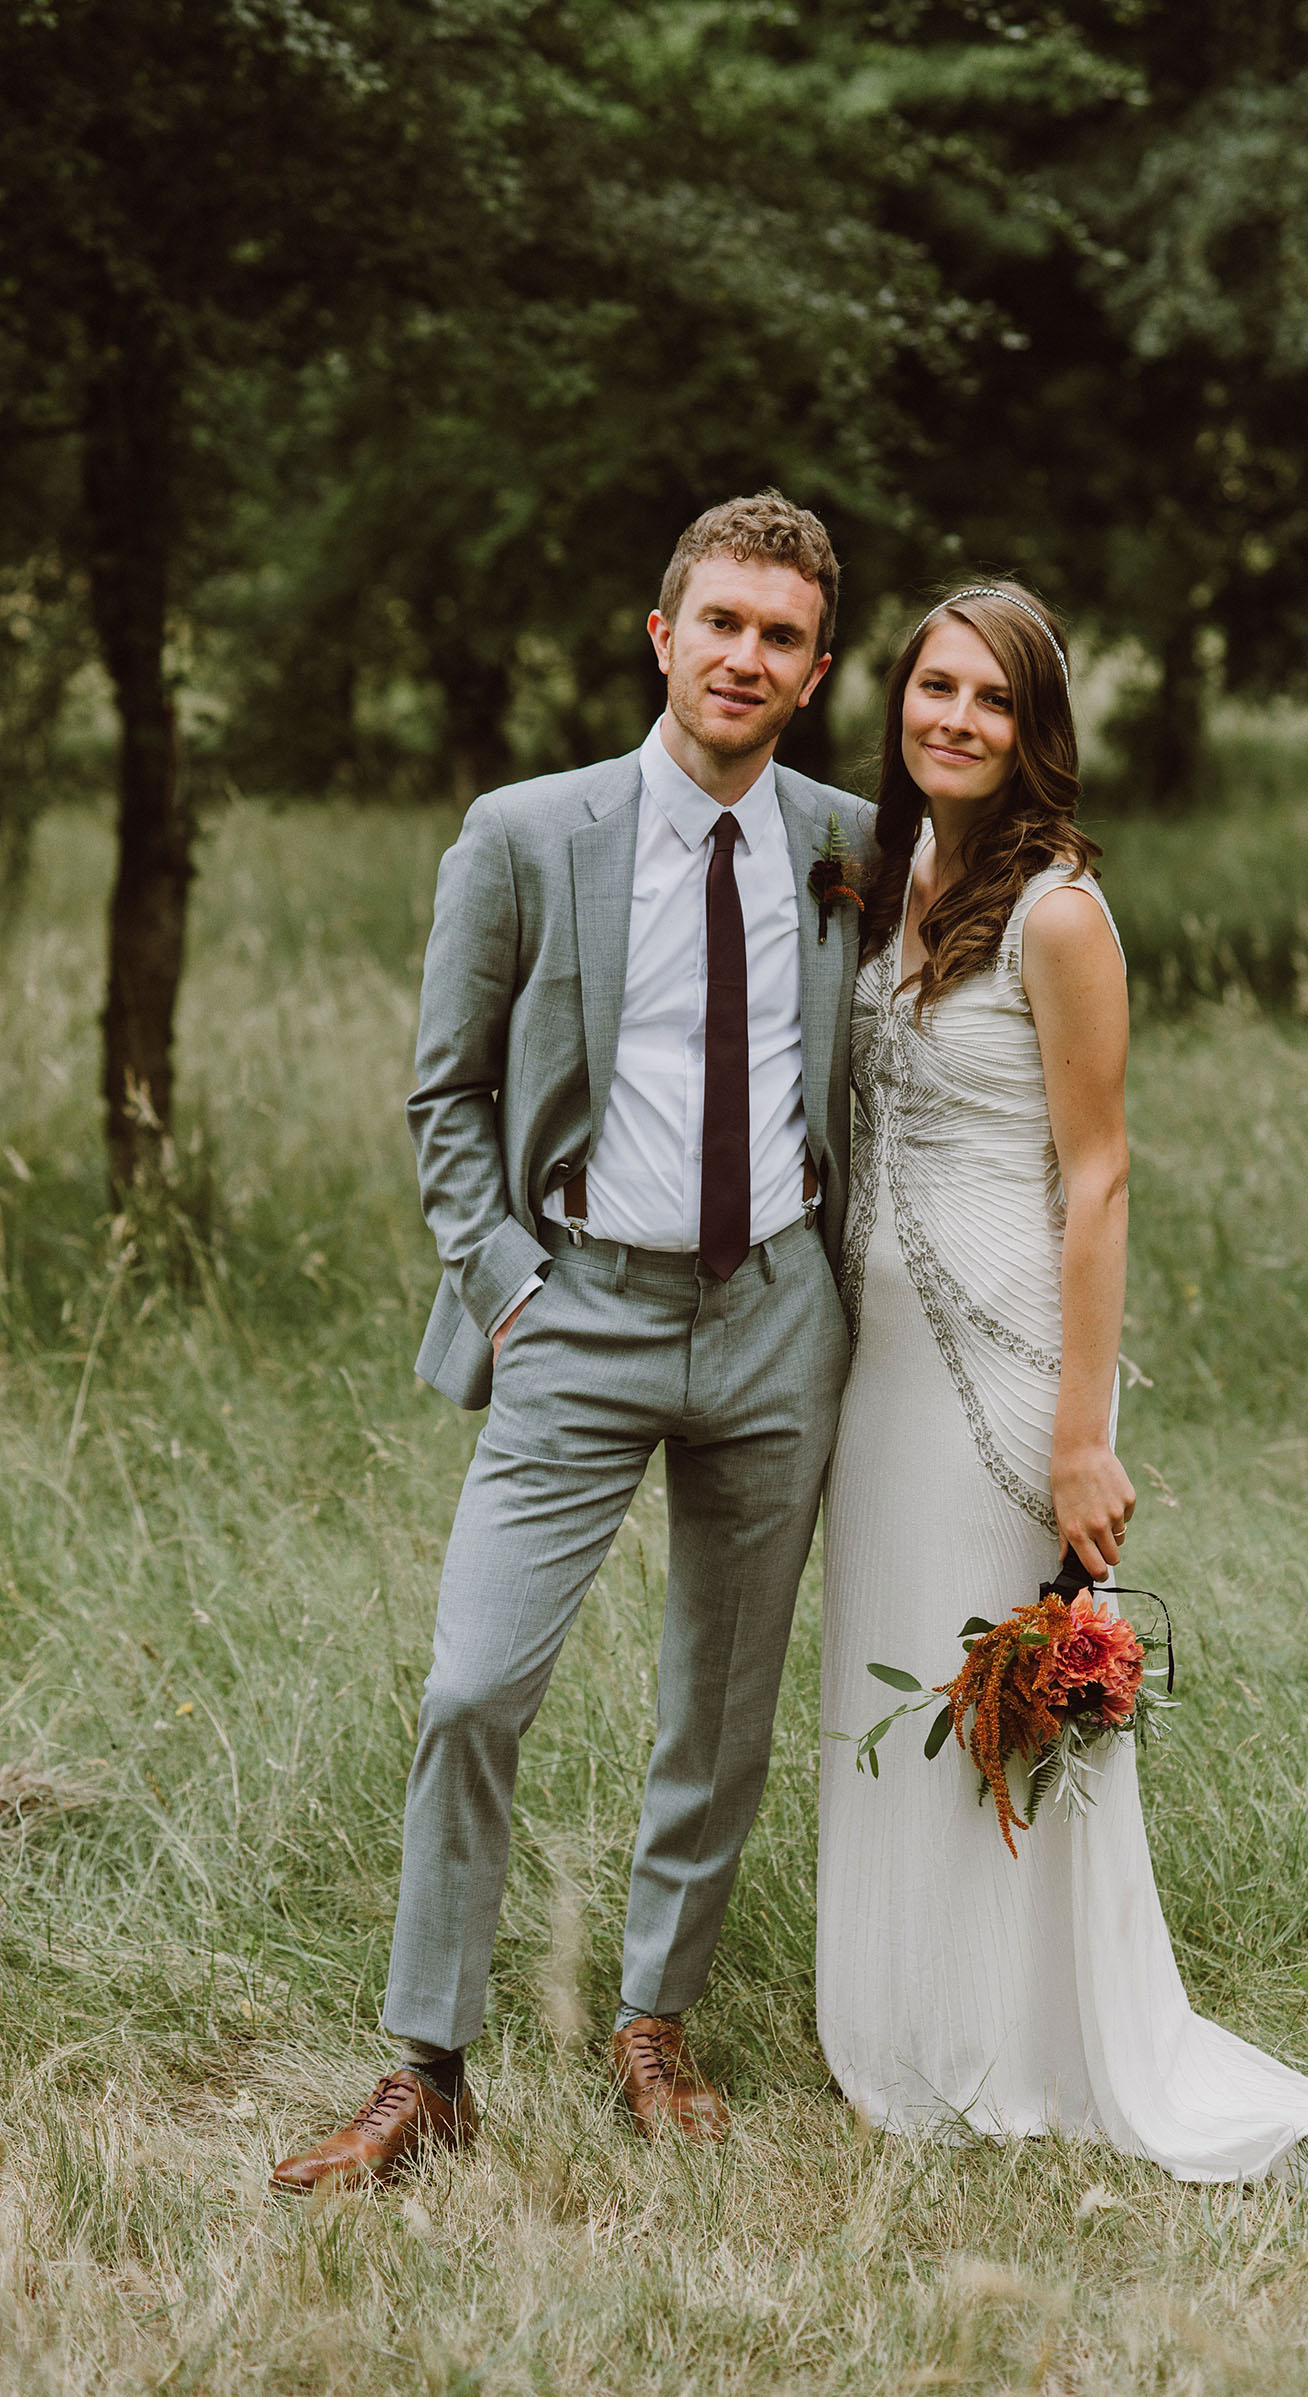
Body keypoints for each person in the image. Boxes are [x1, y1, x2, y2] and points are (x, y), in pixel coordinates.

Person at [815, 581, 1308, 2189]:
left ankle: (1028, 2043)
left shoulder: (1059, 910)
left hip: (1009, 1363)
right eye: (935, 686)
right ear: (901, 699)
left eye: (992, 699)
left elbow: (1101, 1175)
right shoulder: (889, 868)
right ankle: (911, 2024)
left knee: (1000, 1689)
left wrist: (1080, 1437)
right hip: (882, 1366)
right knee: (895, 1658)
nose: (956, 720)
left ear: (1038, 728)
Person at [272, 491, 873, 2193]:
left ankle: (653, 2021)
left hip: (776, 1318)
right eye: (723, 623)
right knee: (473, 1682)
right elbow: (443, 1091)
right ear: (662, 632)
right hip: (579, 1312)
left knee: (722, 1703)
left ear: (816, 667)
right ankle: (428, 2061)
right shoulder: (529, 831)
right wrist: (510, 1287)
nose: (746, 656)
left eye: (782, 635)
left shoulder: (846, 838)